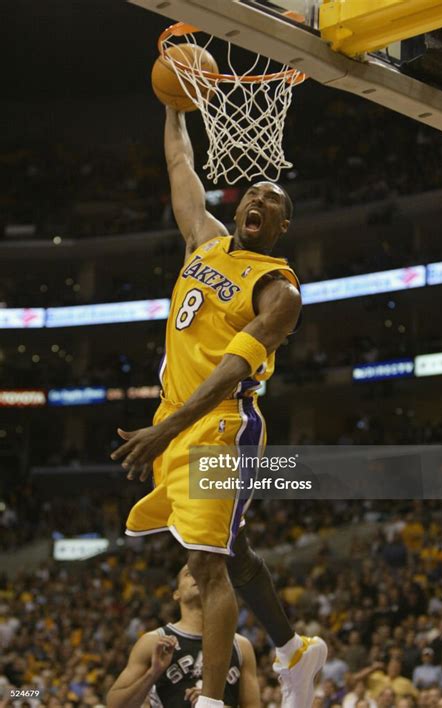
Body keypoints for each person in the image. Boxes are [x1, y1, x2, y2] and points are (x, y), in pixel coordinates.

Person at [111, 107, 327, 708]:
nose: (261, 200)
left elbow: (234, 368)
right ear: (235, 208)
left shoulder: (278, 289)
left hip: (223, 423)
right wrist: (174, 104)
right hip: (175, 421)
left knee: (207, 566)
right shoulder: (203, 242)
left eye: (275, 200)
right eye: (254, 193)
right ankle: (293, 650)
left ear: (282, 226)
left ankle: (209, 703)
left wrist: (169, 429)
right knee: (227, 550)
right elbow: (180, 162)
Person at [106, 565, 259, 707]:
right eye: (189, 574)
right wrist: (153, 673)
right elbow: (114, 704)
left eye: (205, 575)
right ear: (176, 594)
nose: (198, 576)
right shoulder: (153, 641)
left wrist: (212, 704)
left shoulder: (241, 645)